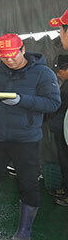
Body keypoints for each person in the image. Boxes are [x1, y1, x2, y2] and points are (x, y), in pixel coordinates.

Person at [0, 34, 60, 240]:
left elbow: (53, 103)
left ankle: (24, 232)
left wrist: (22, 100)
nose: (9, 60)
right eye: (4, 57)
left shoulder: (42, 73)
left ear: (23, 49)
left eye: (12, 55)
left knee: (28, 184)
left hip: (26, 139)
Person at [48, 55, 68, 206]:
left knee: (66, 160)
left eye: (60, 70)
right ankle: (64, 188)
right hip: (60, 127)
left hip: (65, 129)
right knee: (62, 159)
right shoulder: (65, 84)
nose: (58, 73)